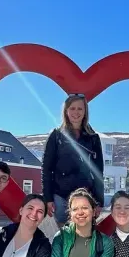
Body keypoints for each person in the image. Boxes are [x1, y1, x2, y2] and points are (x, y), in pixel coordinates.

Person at [42, 93, 104, 226]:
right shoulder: (56, 136)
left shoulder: (93, 138)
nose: (76, 112)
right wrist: (47, 198)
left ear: (85, 111)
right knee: (64, 236)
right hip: (60, 195)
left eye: (80, 108)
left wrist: (99, 201)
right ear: (66, 111)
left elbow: (99, 172)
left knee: (85, 234)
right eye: (72, 108)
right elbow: (46, 169)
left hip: (86, 195)